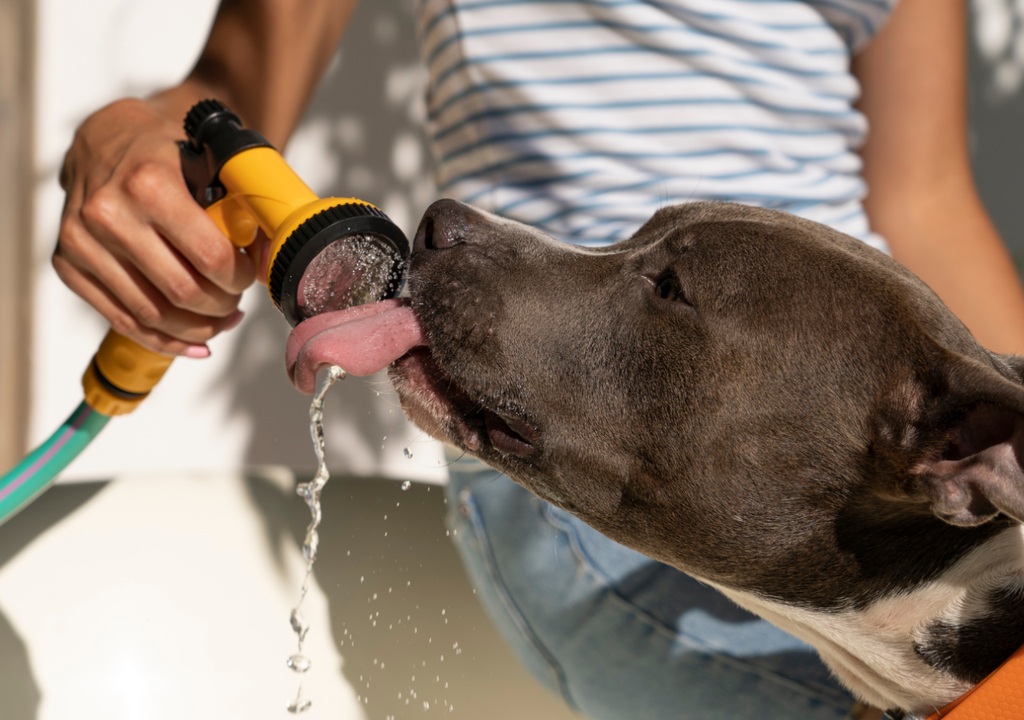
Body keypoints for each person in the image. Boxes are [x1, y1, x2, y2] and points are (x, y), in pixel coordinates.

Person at [53, 1, 1024, 718]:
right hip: (605, 463)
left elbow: (925, 201)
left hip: (843, 454)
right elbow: (215, 100)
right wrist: (127, 136)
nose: (451, 228)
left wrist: (994, 447)